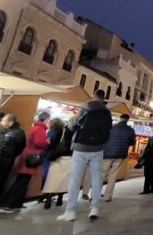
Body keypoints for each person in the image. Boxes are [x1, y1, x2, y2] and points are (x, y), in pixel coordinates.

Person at [57, 90, 113, 222]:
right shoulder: (107, 112)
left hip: (81, 147)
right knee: (96, 178)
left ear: (93, 96)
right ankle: (94, 208)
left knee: (75, 179)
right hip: (98, 148)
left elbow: (72, 125)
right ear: (104, 98)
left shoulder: (85, 107)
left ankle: (70, 211)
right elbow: (109, 129)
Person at [0, 111, 50, 211]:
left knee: (22, 180)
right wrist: (47, 143)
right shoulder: (40, 129)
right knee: (22, 181)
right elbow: (39, 142)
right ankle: (10, 203)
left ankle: (16, 202)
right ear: (46, 119)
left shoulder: (35, 127)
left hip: (27, 156)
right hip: (31, 158)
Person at [99, 114, 136, 201]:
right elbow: (132, 143)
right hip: (120, 154)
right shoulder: (130, 130)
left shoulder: (111, 127)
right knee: (113, 175)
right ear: (127, 120)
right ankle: (107, 196)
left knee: (102, 173)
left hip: (107, 153)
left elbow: (104, 138)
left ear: (120, 119)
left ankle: (95, 194)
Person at [42, 121, 74, 209]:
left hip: (57, 157)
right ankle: (60, 198)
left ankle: (48, 199)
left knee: (52, 179)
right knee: (63, 179)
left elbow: (53, 143)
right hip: (69, 157)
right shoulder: (75, 131)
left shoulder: (60, 130)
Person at [40, 117, 65, 208]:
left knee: (47, 176)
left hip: (50, 156)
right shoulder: (63, 132)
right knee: (59, 177)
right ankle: (59, 198)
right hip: (61, 156)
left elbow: (47, 145)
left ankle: (47, 197)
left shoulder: (50, 132)